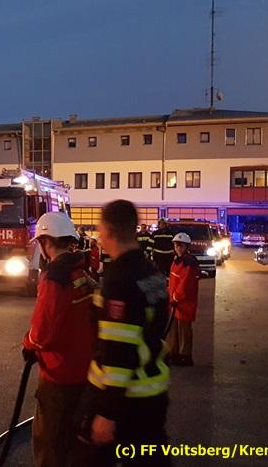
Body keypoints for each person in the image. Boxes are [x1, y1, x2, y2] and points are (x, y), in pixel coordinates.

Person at [75, 200, 170, 466]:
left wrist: (107, 413)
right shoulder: (151, 272)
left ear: (108, 230)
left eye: (99, 229)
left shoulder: (120, 279)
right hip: (153, 395)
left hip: (126, 401)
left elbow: (118, 351)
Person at [21, 212, 95, 467]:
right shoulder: (79, 270)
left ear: (45, 242)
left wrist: (28, 344)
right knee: (73, 442)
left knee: (50, 442)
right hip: (83, 370)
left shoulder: (55, 277)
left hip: (58, 374)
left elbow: (43, 332)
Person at [167, 232, 200, 366]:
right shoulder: (177, 260)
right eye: (176, 245)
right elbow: (174, 280)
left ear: (187, 246)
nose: (178, 248)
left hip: (184, 302)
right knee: (174, 329)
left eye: (181, 245)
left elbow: (185, 284)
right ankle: (174, 353)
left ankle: (185, 356)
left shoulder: (188, 263)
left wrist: (176, 297)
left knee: (184, 330)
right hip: (175, 302)